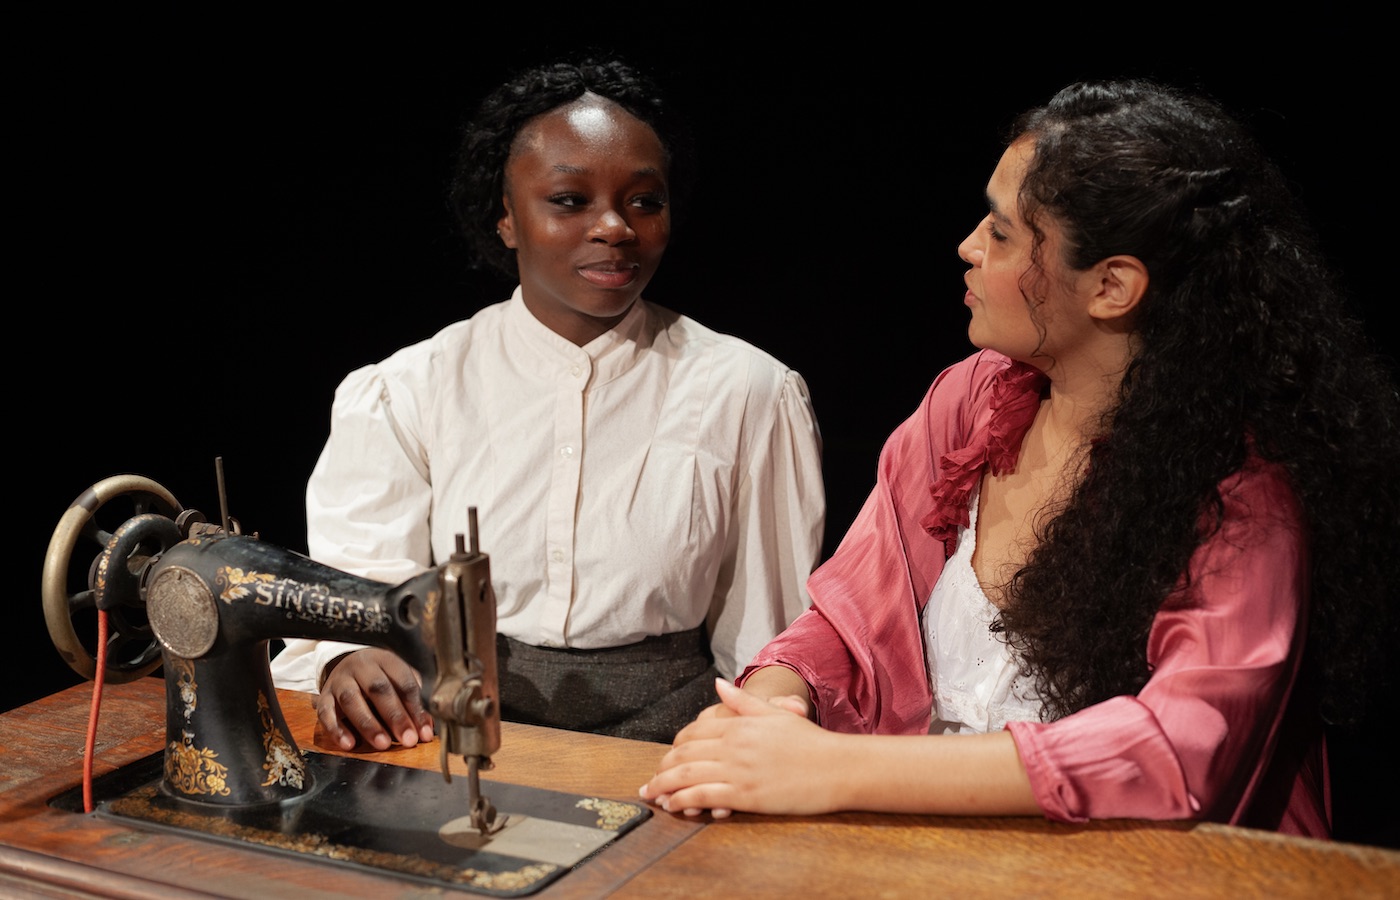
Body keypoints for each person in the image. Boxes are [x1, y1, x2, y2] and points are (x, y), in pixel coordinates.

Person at [640, 79, 1400, 838]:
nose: (968, 246)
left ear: (1111, 286)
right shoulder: (972, 403)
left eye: (1002, 233)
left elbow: (1175, 752)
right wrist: (777, 705)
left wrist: (828, 768)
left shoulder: (1238, 491)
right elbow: (854, 614)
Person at [270, 57, 826, 747]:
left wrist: (750, 742)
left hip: (673, 736)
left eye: (644, 201)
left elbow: (766, 634)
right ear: (506, 218)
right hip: (450, 722)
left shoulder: (748, 390)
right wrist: (352, 657)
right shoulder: (411, 388)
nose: (615, 227)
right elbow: (357, 591)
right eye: (570, 201)